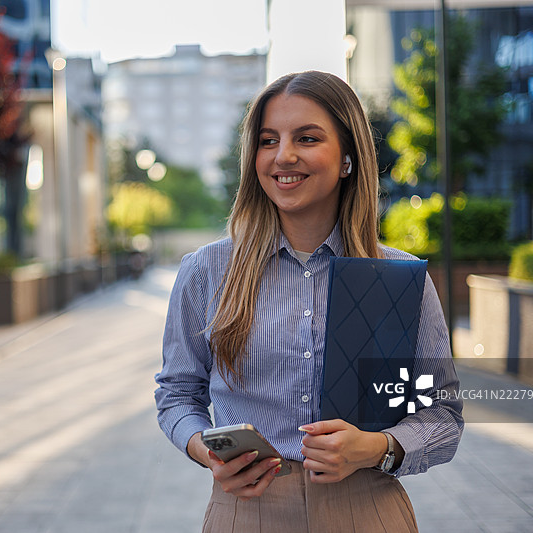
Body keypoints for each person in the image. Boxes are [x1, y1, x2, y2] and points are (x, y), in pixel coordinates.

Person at [154, 70, 463, 532]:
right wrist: (207, 449)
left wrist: (378, 447)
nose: (284, 156)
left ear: (347, 159)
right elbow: (177, 395)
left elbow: (443, 415)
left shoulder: (402, 280)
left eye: (308, 138)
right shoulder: (206, 271)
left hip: (367, 509)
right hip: (247, 512)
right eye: (268, 140)